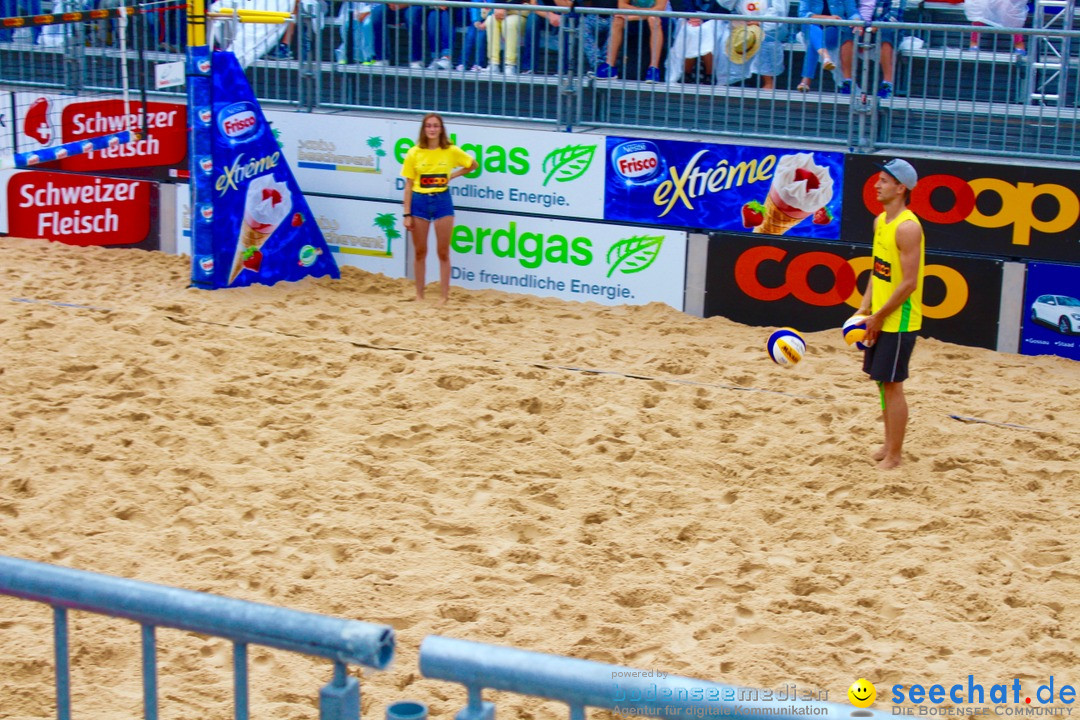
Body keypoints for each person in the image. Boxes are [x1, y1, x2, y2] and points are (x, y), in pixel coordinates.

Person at [854, 158, 925, 470]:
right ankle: (888, 443)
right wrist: (864, 308)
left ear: (901, 187)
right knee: (881, 382)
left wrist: (879, 316)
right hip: (879, 317)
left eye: (884, 180)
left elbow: (909, 283)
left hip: (899, 320)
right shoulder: (880, 222)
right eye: (878, 179)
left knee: (893, 385)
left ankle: (895, 455)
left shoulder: (908, 228)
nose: (876, 185)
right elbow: (878, 271)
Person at [400, 113, 478, 305]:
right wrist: (406, 213)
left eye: (436, 126)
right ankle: (420, 295)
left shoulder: (450, 150)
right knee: (420, 252)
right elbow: (408, 185)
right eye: (428, 126)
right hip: (419, 202)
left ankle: (444, 297)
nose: (432, 129)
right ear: (424, 129)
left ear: (441, 129)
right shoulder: (414, 152)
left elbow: (473, 165)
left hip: (442, 200)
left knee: (443, 252)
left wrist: (453, 175)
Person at [596, 0, 666, 82]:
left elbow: (659, 9)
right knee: (618, 19)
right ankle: (609, 65)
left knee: (653, 20)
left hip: (659, 19)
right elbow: (622, 5)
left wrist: (635, 16)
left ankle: (654, 68)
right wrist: (640, 13)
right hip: (637, 15)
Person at [796, 0, 854, 91]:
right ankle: (826, 56)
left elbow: (853, 12)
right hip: (812, 28)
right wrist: (827, 18)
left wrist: (857, 22)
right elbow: (803, 14)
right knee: (813, 28)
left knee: (814, 40)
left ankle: (806, 81)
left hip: (834, 30)